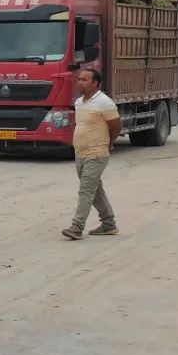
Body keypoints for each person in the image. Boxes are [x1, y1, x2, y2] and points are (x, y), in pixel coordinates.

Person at [63, 64, 120, 239]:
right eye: (79, 79)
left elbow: (116, 126)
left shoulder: (104, 102)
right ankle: (108, 224)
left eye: (84, 80)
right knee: (95, 190)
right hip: (80, 153)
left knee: (86, 190)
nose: (80, 83)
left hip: (97, 154)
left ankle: (76, 227)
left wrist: (109, 142)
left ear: (95, 83)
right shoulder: (79, 102)